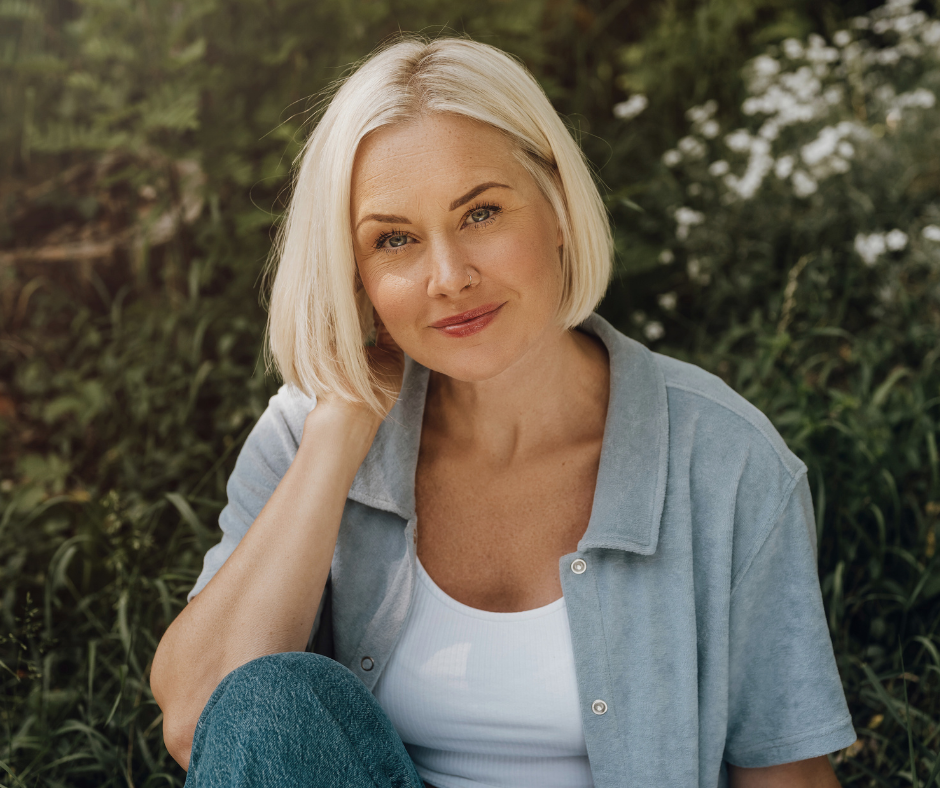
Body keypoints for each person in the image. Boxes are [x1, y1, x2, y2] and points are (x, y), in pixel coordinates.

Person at [150, 35, 857, 788]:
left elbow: (788, 776)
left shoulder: (724, 458)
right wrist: (339, 433)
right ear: (352, 273)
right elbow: (203, 722)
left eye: (481, 213)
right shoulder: (307, 432)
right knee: (266, 701)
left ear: (555, 204)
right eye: (394, 239)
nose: (449, 276)